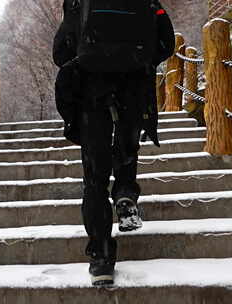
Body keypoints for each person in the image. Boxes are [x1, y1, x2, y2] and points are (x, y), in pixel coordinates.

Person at [53, 0, 174, 286]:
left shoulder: (78, 3)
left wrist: (90, 56)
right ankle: (125, 193)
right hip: (133, 86)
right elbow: (166, 42)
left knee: (94, 177)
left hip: (91, 92)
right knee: (127, 147)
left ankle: (102, 258)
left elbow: (60, 51)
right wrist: (139, 61)